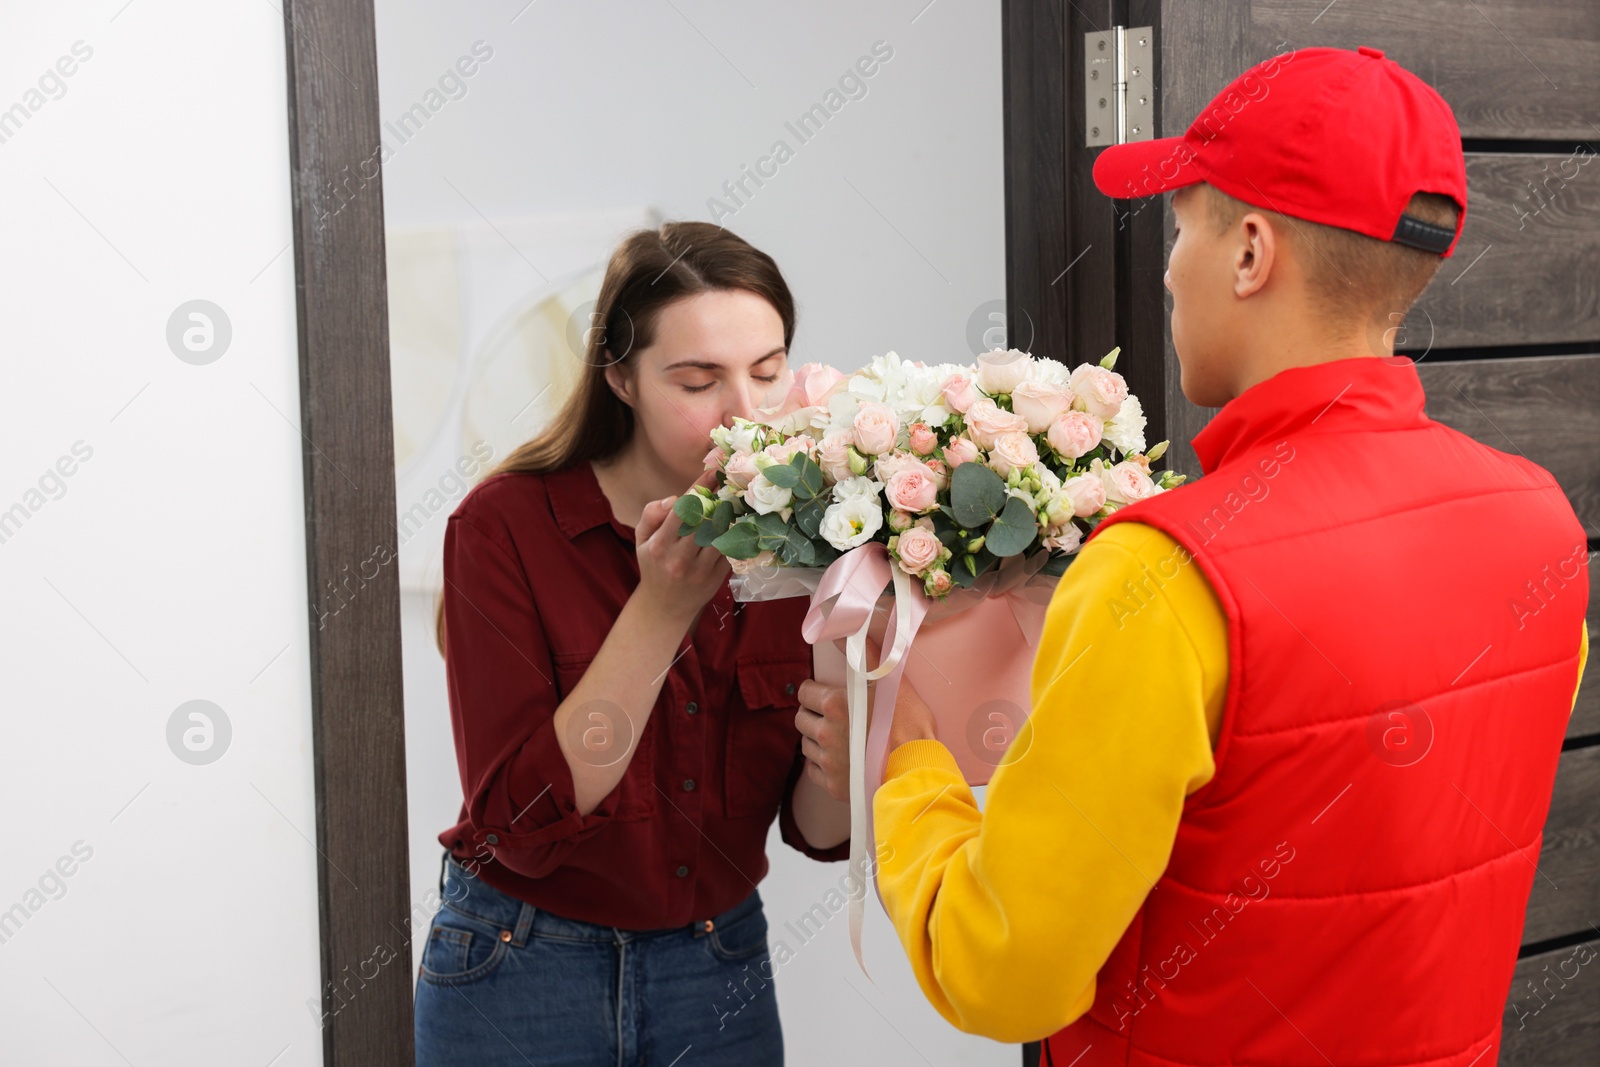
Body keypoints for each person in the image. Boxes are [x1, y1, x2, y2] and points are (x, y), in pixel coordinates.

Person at [844, 45, 1590, 1064]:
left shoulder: (1165, 571)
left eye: (1179, 225)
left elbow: (1000, 968)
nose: (1162, 268)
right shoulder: (1539, 523)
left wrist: (907, 767)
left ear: (1249, 252)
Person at [413, 221, 852, 1067]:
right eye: (697, 380)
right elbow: (520, 824)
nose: (747, 412)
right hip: (520, 960)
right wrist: (659, 610)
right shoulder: (502, 527)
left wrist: (843, 763)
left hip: (716, 962)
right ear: (621, 378)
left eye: (767, 371)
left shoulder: (816, 532)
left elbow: (817, 829)